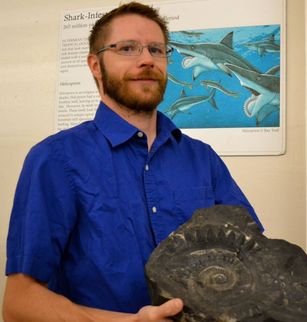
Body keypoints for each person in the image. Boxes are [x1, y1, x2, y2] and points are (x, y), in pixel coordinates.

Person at [2, 2, 263, 321]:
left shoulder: (203, 158)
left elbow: (253, 258)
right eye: (127, 48)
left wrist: (292, 284)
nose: (146, 60)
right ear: (95, 65)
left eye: (156, 50)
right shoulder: (54, 159)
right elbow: (19, 302)